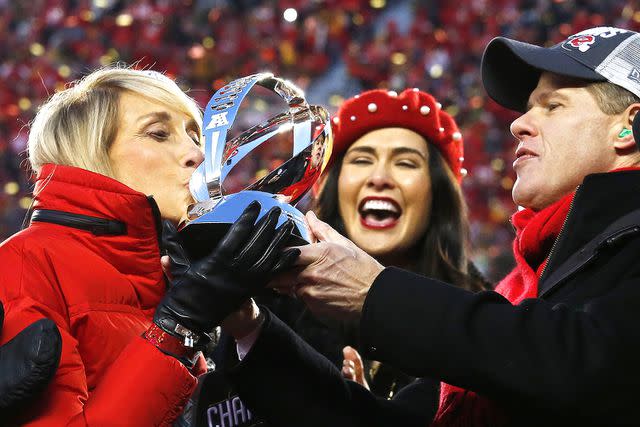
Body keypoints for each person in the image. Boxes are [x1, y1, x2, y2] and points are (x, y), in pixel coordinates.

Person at [219, 26, 640, 427]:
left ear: (628, 126)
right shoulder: (523, 288)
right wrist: (249, 326)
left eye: (553, 105)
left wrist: (376, 293)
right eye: (528, 107)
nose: (518, 123)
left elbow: (591, 365)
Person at [0, 66, 295, 426]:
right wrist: (174, 331)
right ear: (90, 154)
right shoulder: (22, 264)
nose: (197, 155)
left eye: (194, 136)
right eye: (158, 134)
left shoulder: (169, 267)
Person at [312, 88, 488, 398]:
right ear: (332, 190)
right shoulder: (268, 314)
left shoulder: (483, 326)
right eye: (362, 160)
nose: (379, 177)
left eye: (406, 163)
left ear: (438, 196)